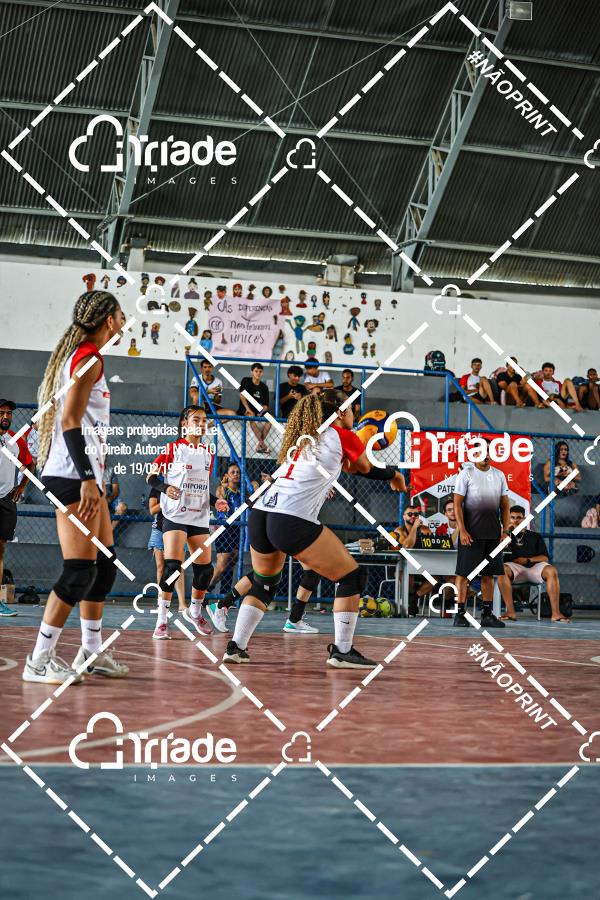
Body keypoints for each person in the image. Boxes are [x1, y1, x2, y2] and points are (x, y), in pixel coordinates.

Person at [221, 390, 406, 667]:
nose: (354, 415)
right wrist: (395, 474)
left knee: (264, 584)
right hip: (289, 517)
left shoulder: (305, 437)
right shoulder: (341, 435)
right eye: (351, 410)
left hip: (262, 512)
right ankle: (342, 651)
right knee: (352, 576)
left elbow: (350, 466)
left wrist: (360, 444)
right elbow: (364, 467)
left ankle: (236, 647)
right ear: (340, 413)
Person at [23, 291, 129, 683]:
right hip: (72, 476)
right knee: (79, 572)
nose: (124, 322)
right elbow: (69, 420)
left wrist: (94, 478)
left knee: (103, 567)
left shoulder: (86, 356)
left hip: (86, 476)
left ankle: (91, 651)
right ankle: (38, 661)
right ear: (109, 321)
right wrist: (86, 478)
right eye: (121, 315)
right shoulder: (88, 359)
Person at [146, 406, 229, 640]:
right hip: (175, 516)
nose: (201, 424)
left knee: (205, 570)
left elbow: (200, 488)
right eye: (196, 420)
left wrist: (215, 500)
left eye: (204, 420)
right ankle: (162, 621)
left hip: (198, 516)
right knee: (173, 568)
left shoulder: (207, 453)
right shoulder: (173, 449)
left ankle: (195, 611)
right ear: (184, 424)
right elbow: (151, 476)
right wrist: (165, 488)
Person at [453, 442, 512, 629]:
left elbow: (505, 506)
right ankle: (459, 614)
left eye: (488, 451)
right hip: (471, 535)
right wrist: (463, 530)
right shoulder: (466, 474)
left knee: (488, 575)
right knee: (464, 574)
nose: (485, 455)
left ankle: (487, 615)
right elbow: (457, 504)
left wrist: (505, 531)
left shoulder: (499, 475)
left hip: (493, 535)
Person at [501, 505, 570, 623]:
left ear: (524, 519)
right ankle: (510, 612)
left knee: (551, 570)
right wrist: (507, 531)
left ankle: (556, 613)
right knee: (502, 570)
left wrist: (528, 560)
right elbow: (498, 549)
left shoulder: (535, 536)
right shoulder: (505, 535)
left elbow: (544, 557)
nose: (515, 520)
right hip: (514, 568)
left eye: (519, 518)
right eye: (512, 517)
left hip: (533, 568)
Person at [0, 399, 35, 617]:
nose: (6, 417)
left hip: (5, 500)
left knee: (0, 550)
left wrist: (21, 487)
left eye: (9, 413)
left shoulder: (14, 440)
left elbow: (30, 464)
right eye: (1, 413)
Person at [147, 489, 187, 613]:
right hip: (159, 528)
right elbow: (152, 510)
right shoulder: (157, 487)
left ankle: (182, 604)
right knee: (160, 566)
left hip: (178, 526)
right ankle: (161, 602)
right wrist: (167, 500)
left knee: (178, 567)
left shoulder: (182, 485)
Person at [393, 504, 435, 616]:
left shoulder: (425, 530)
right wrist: (415, 528)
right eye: (410, 514)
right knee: (408, 574)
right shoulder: (399, 530)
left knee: (434, 579)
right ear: (404, 516)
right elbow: (407, 545)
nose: (413, 516)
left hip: (422, 566)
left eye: (416, 514)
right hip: (403, 567)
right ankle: (410, 601)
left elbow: (432, 547)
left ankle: (414, 598)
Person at [237, 362, 271, 453]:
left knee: (271, 419)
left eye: (260, 371)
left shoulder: (264, 387)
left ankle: (260, 444)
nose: (258, 373)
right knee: (251, 416)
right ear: (251, 372)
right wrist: (248, 409)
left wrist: (262, 411)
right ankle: (262, 444)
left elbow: (266, 405)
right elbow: (242, 395)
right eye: (256, 371)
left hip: (256, 411)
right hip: (245, 409)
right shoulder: (246, 380)